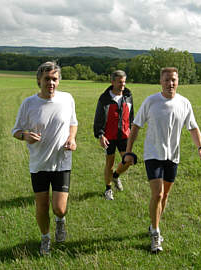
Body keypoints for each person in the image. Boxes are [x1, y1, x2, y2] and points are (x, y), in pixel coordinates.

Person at [123, 67, 201, 252]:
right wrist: (128, 152)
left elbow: (193, 128)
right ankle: (155, 233)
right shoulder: (151, 101)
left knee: (165, 195)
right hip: (153, 154)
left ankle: (154, 223)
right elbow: (136, 126)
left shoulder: (184, 103)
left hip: (173, 156)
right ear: (161, 82)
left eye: (174, 80)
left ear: (178, 81)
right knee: (158, 194)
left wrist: (200, 147)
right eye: (167, 80)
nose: (171, 83)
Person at [12, 61, 78, 255]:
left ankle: (60, 220)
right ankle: (45, 239)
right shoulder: (29, 103)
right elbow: (15, 131)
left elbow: (73, 123)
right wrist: (25, 136)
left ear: (59, 81)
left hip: (61, 162)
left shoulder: (67, 99)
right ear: (39, 81)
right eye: (47, 79)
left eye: (54, 79)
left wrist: (71, 139)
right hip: (39, 164)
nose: (51, 83)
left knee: (59, 208)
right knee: (41, 207)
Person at [93, 70, 134, 200]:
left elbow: (131, 116)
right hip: (109, 136)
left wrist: (132, 131)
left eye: (124, 81)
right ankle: (108, 189)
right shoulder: (104, 98)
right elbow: (98, 118)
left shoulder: (128, 96)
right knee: (109, 163)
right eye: (120, 82)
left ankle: (116, 176)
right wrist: (100, 135)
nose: (123, 85)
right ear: (113, 82)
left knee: (128, 160)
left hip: (124, 135)